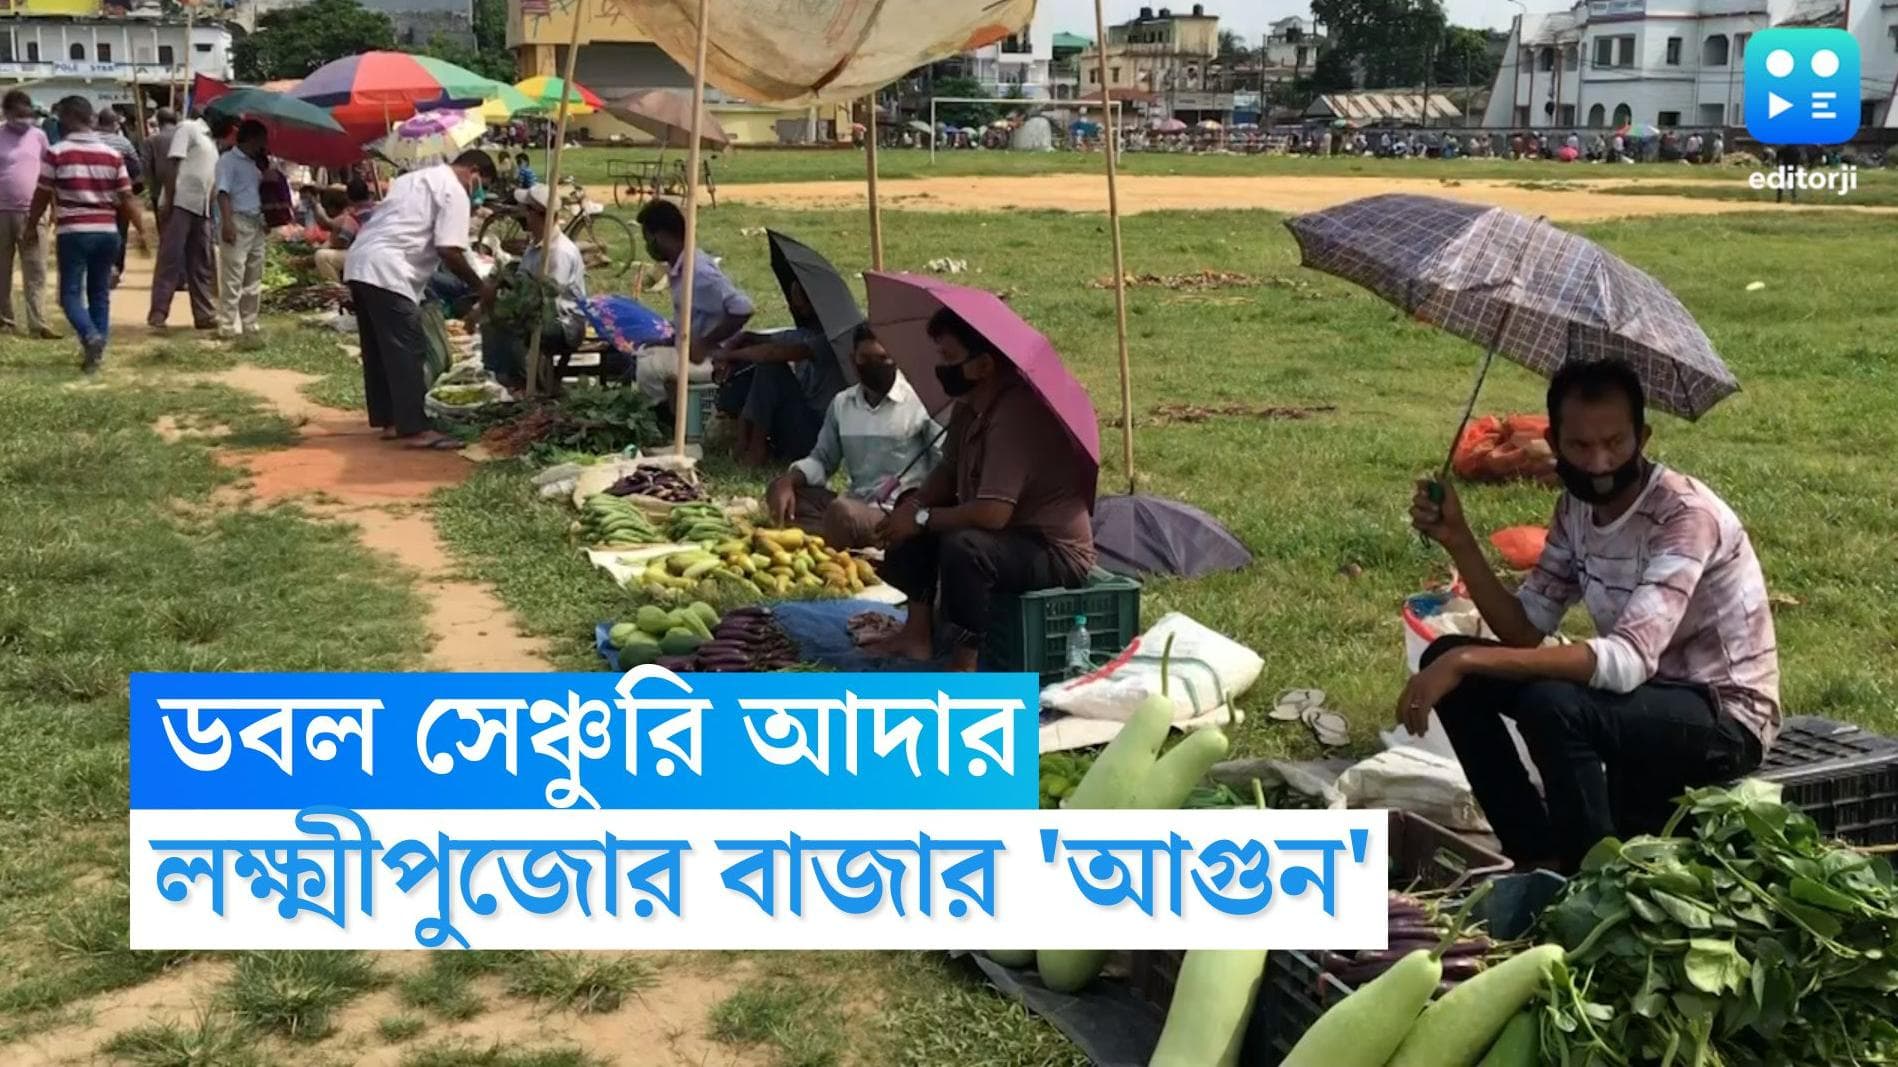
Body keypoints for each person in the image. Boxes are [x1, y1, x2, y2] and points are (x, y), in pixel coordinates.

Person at [1404, 359, 1779, 874]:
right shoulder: (1575, 509)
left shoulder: (1684, 516)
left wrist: (1473, 658)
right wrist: (1460, 541)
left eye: (1615, 443)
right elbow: (1523, 627)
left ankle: (1591, 880)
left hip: (1721, 716)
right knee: (1446, 657)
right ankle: (1536, 857)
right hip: (1638, 699)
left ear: (1642, 437)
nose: (1600, 462)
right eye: (1580, 447)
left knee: (1551, 702)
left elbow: (1626, 661)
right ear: (1554, 443)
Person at [868, 307, 1097, 671]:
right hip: (1005, 535)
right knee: (912, 505)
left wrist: (924, 519)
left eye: (949, 358)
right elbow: (947, 470)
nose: (941, 367)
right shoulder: (970, 408)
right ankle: (917, 635)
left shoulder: (1015, 416)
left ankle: (965, 664)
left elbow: (993, 513)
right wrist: (915, 509)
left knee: (965, 546)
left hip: (1051, 550)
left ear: (984, 365)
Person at [343, 149, 494, 449]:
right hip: (389, 269)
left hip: (361, 261)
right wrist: (481, 286)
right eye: (483, 184)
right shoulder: (455, 191)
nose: (480, 193)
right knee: (408, 348)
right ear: (473, 170)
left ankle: (390, 420)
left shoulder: (414, 178)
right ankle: (413, 428)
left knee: (378, 349)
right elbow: (449, 250)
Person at [765, 324, 942, 550]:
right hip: (854, 502)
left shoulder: (919, 404)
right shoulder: (842, 403)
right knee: (782, 493)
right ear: (852, 359)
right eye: (865, 358)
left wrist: (916, 509)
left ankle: (830, 537)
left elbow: (941, 468)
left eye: (882, 358)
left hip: (894, 515)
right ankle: (839, 535)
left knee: (841, 513)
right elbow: (822, 459)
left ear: (896, 359)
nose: (873, 366)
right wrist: (788, 481)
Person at [29, 95, 149, 374]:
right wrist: (142, 230)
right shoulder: (112, 155)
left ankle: (89, 335)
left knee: (69, 295)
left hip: (74, 232)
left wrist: (30, 225)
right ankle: (96, 354)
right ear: (90, 118)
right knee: (99, 293)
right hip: (107, 231)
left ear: (67, 118)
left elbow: (42, 194)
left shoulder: (57, 152)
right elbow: (127, 196)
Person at [633, 198, 754, 412]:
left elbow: (743, 309)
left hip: (713, 358)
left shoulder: (697, 271)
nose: (648, 246)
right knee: (645, 351)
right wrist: (670, 340)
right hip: (692, 349)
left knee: (647, 367)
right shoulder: (680, 267)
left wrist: (706, 342)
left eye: (648, 239)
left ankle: (666, 414)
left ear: (660, 236)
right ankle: (670, 407)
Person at [716, 278, 847, 466]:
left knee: (770, 369)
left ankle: (756, 448)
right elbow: (762, 340)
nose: (795, 308)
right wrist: (740, 341)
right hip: (799, 423)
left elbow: (773, 353)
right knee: (748, 370)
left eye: (801, 305)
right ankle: (742, 439)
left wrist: (729, 353)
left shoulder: (833, 340)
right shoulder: (805, 334)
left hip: (819, 435)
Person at [470, 182, 585, 392]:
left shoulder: (558, 252)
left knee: (502, 324)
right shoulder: (536, 244)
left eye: (526, 210)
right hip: (541, 312)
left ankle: (520, 381)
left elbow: (547, 301)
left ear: (536, 214)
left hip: (563, 324)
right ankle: (508, 376)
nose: (521, 214)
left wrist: (507, 310)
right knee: (490, 313)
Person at [148, 111, 226, 331]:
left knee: (201, 261)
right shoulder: (188, 128)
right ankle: (158, 312)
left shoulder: (211, 141)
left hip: (201, 208)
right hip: (181, 202)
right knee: (170, 259)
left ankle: (204, 314)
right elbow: (172, 165)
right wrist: (170, 200)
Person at [1, 89, 56, 339]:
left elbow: (50, 173)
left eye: (28, 115)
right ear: (7, 113)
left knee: (36, 269)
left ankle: (38, 323)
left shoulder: (39, 136)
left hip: (33, 213)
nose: (25, 120)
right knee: (2, 269)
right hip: (2, 213)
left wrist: (55, 206)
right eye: (19, 115)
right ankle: (5, 321)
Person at [214, 119, 270, 348]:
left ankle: (249, 321)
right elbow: (223, 193)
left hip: (255, 221)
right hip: (237, 219)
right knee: (233, 274)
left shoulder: (255, 164)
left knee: (253, 275)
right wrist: (227, 223)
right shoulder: (228, 161)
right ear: (252, 139)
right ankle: (228, 324)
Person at [93, 107, 140, 286]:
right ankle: (116, 268)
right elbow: (137, 166)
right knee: (120, 233)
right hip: (119, 199)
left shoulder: (91, 141)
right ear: (114, 124)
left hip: (94, 198)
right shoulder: (124, 143)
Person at [312, 179, 375, 284]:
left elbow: (342, 242)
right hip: (381, 251)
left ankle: (335, 289)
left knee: (321, 256)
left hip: (365, 255)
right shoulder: (379, 208)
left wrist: (330, 243)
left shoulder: (352, 217)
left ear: (349, 198)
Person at [139, 108, 179, 217]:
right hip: (184, 190)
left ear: (159, 122)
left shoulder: (150, 141)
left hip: (159, 190)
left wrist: (150, 186)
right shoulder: (185, 138)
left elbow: (145, 167)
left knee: (164, 226)